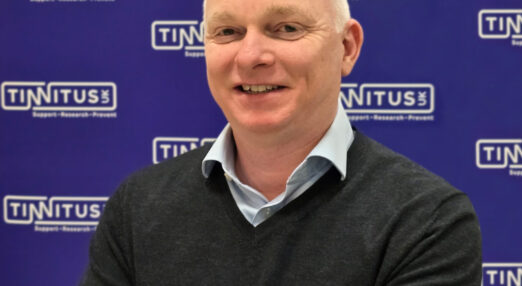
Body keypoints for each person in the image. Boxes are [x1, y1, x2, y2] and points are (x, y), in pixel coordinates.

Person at [81, 0, 482, 284]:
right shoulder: (137, 208)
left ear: (347, 47)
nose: (251, 55)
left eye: (287, 28)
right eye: (228, 32)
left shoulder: (427, 222)